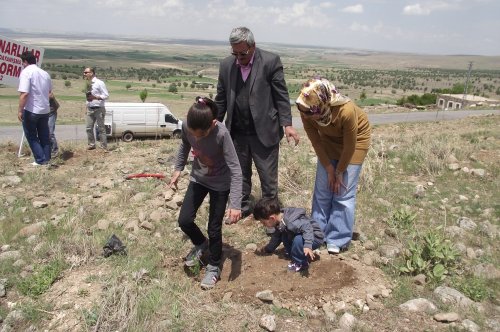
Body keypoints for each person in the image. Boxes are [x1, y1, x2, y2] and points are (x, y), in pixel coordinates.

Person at [215, 26, 299, 219]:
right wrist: (215, 126)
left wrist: (287, 124)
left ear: (253, 46)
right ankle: (243, 207)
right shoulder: (226, 65)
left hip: (264, 132)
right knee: (240, 175)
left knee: (268, 179)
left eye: (242, 53)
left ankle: (270, 215)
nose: (238, 57)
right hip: (236, 133)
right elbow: (220, 100)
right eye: (234, 53)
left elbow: (281, 97)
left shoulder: (270, 61)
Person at [168, 96, 242, 289]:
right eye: (194, 134)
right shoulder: (187, 126)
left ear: (213, 123)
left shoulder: (221, 134)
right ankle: (201, 244)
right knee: (184, 220)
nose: (197, 138)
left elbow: (235, 169)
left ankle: (214, 265)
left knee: (214, 228)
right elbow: (185, 144)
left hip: (220, 184)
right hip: (199, 178)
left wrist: (234, 204)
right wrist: (178, 168)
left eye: (202, 134)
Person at [296, 78, 371, 254]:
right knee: (323, 190)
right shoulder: (306, 107)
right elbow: (316, 141)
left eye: (309, 113)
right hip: (328, 141)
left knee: (342, 193)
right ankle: (317, 234)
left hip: (356, 142)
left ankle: (337, 238)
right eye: (304, 113)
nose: (305, 117)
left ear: (322, 104)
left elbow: (350, 146)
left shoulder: (346, 111)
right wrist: (329, 168)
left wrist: (339, 172)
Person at [253, 197, 324, 272]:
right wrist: (269, 249)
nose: (263, 225)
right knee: (284, 236)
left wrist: (308, 245)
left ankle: (300, 263)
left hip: (314, 237)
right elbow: (277, 236)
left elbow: (307, 227)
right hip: (304, 235)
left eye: (263, 222)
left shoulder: (291, 222)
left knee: (298, 240)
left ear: (272, 218)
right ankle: (294, 255)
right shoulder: (280, 221)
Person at [17, 51, 52, 166]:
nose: (22, 64)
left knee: (31, 136)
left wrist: (20, 110)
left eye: (22, 62)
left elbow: (24, 94)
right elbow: (49, 92)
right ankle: (46, 159)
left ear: (25, 61)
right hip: (45, 109)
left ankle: (40, 160)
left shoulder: (26, 72)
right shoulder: (45, 73)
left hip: (32, 109)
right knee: (44, 135)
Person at [83, 67, 109, 150]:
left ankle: (103, 146)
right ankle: (91, 144)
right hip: (90, 108)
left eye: (86, 72)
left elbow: (106, 95)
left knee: (101, 128)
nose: (85, 74)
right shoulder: (88, 83)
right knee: (88, 128)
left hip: (99, 108)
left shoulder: (99, 83)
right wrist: (86, 106)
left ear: (92, 73)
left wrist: (96, 97)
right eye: (84, 72)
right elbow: (88, 97)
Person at [48, 92, 60, 157]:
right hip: (43, 114)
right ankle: (47, 150)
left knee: (50, 132)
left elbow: (57, 106)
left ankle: (55, 150)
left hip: (51, 113)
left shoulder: (49, 93)